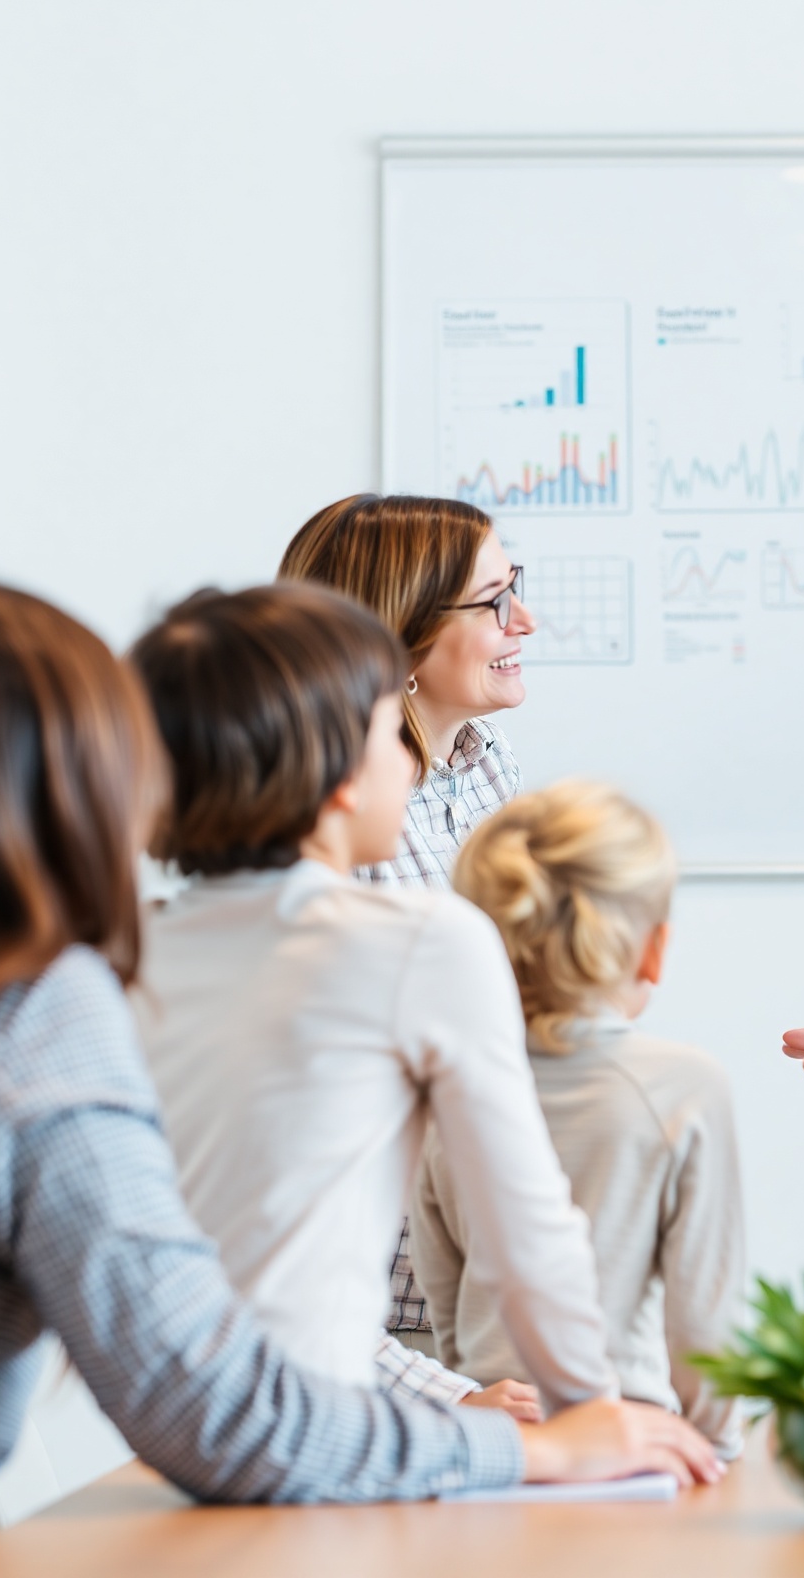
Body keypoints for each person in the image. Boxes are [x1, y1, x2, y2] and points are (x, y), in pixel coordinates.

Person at [0, 582, 716, 1567]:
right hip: (294, 1454)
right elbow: (206, 1401)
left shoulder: (94, 971)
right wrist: (565, 1430)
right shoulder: (39, 1012)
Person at [128, 585, 694, 1446]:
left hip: (184, 1428)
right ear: (337, 777)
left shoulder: (127, 952)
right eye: (389, 733)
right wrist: (591, 1420)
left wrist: (455, 1402)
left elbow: (218, 1267)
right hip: (329, 1435)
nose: (410, 763)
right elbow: (527, 1231)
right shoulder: (424, 943)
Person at [411, 782, 748, 1459]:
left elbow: (442, 1293)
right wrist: (715, 1447)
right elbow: (704, 1317)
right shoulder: (686, 1087)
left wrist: (479, 1390)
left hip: (498, 1441)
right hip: (633, 1441)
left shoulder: (440, 1084)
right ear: (653, 951)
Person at [278, 493, 533, 1337]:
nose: (525, 621)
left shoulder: (487, 765)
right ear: (400, 636)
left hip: (497, 1266)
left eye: (517, 587)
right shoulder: (326, 824)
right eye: (494, 601)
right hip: (384, 1307)